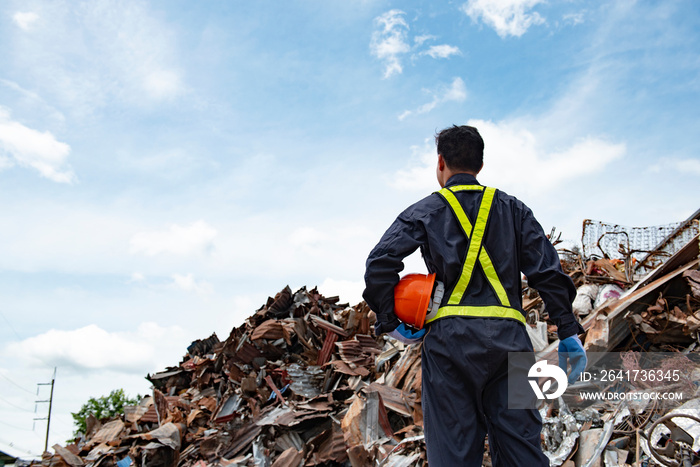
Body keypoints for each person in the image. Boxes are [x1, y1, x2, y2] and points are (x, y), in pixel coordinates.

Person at [362, 125, 586, 466]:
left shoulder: (426, 210)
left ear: (441, 163)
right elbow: (547, 271)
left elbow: (381, 261)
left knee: (453, 452)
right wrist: (568, 330)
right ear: (479, 164)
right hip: (511, 344)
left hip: (450, 346)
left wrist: (390, 321)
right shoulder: (514, 209)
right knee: (522, 451)